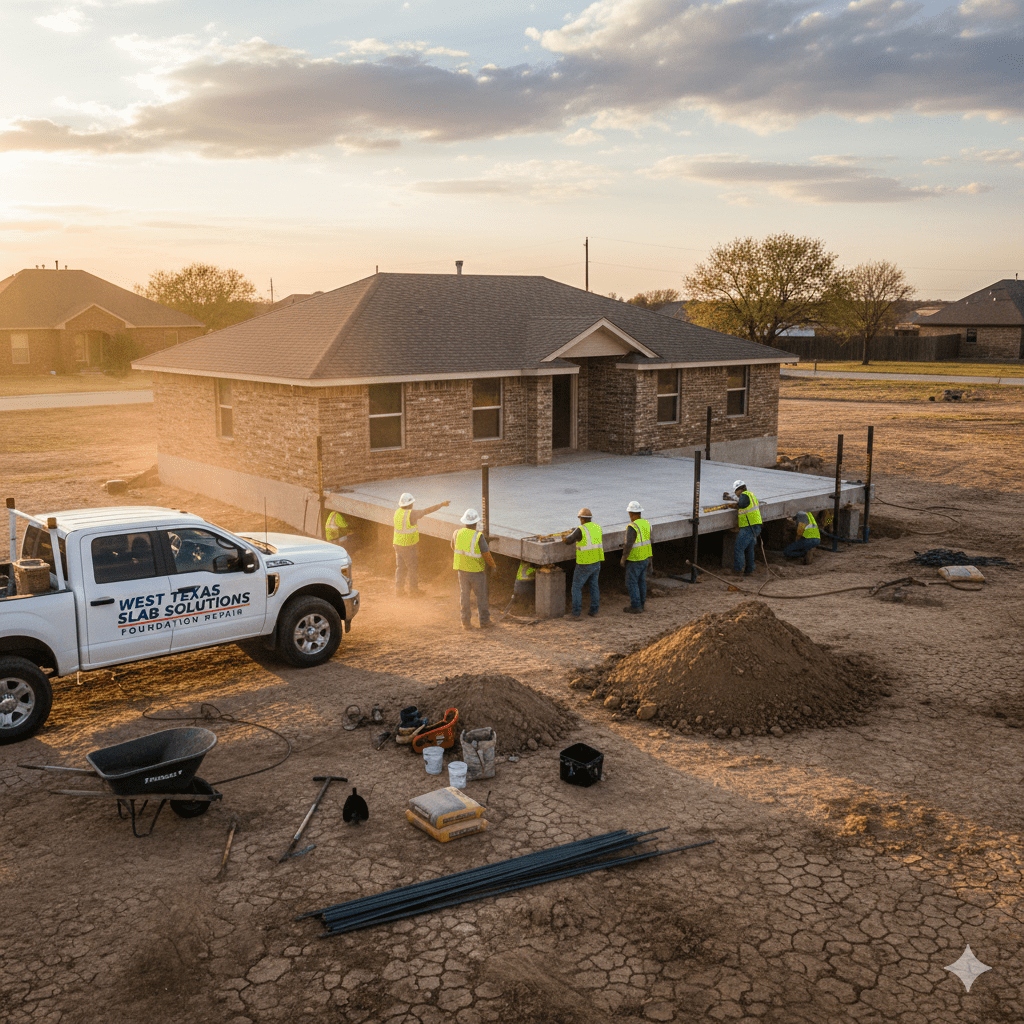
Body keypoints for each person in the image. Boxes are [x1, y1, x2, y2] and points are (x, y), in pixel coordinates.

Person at [393, 491, 451, 597]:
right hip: (408, 545)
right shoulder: (412, 514)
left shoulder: (397, 512)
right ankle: (413, 591)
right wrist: (442, 504)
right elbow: (427, 510)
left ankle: (399, 591)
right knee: (412, 568)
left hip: (397, 544)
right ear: (410, 504)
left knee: (400, 568)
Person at [451, 509, 497, 629]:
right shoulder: (478, 536)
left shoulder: (456, 533)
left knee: (464, 596)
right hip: (476, 572)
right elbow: (486, 554)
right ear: (476, 523)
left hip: (461, 570)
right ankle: (485, 621)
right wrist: (493, 565)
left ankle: (465, 622)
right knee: (481, 596)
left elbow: (453, 547)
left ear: (464, 522)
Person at [564, 507, 603, 619]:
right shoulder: (597, 527)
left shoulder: (580, 529)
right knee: (594, 586)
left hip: (584, 563)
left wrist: (564, 538)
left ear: (581, 519)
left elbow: (569, 540)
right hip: (596, 561)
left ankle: (575, 613)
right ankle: (594, 610)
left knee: (576, 587)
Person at [619, 500, 652, 614]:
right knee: (641, 581)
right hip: (645, 558)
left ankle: (636, 606)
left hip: (634, 559)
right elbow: (648, 541)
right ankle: (641, 604)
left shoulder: (632, 527)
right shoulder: (646, 524)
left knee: (631, 582)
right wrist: (650, 559)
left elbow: (628, 545)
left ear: (631, 513)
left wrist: (623, 559)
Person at [723, 479, 762, 576]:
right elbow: (741, 501)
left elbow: (741, 504)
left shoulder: (744, 495)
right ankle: (749, 570)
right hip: (755, 526)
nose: (736, 494)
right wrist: (730, 497)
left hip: (748, 527)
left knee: (738, 548)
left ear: (739, 490)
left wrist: (731, 506)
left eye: (735, 492)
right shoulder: (750, 495)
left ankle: (738, 570)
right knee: (749, 549)